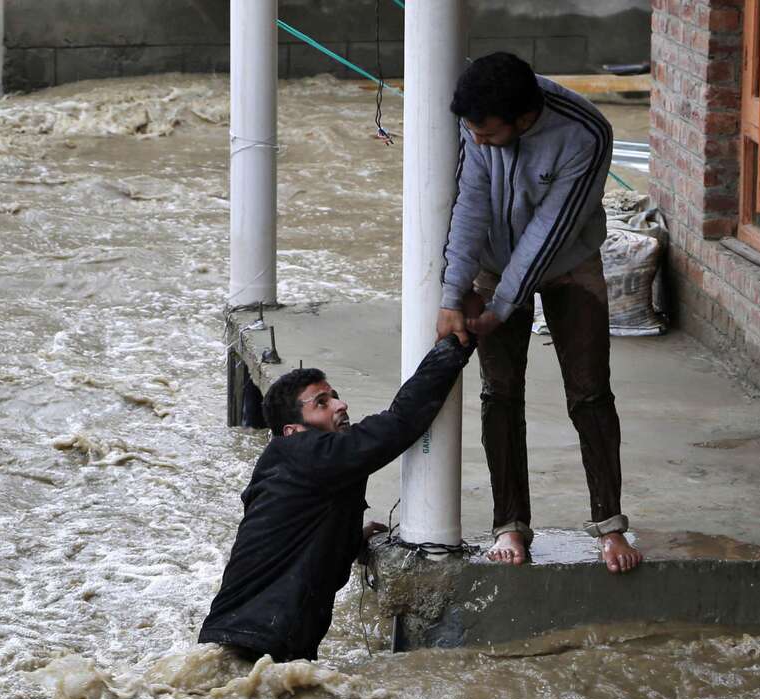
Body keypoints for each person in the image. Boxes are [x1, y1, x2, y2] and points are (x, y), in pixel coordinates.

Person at [435, 51, 642, 573]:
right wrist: (451, 294)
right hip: (492, 261)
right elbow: (469, 204)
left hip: (568, 260)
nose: (476, 140)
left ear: (523, 119)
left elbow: (549, 233)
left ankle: (609, 525)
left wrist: (504, 305)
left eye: (486, 133)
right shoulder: (480, 120)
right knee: (499, 393)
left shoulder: (585, 133)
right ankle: (510, 523)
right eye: (471, 131)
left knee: (590, 391)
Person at [199, 337, 475, 662]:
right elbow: (400, 423)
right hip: (258, 645)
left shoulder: (291, 465)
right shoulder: (311, 453)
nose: (339, 405)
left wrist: (351, 540)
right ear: (293, 430)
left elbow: (291, 540)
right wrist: (456, 345)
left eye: (335, 397)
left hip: (245, 645)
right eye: (321, 403)